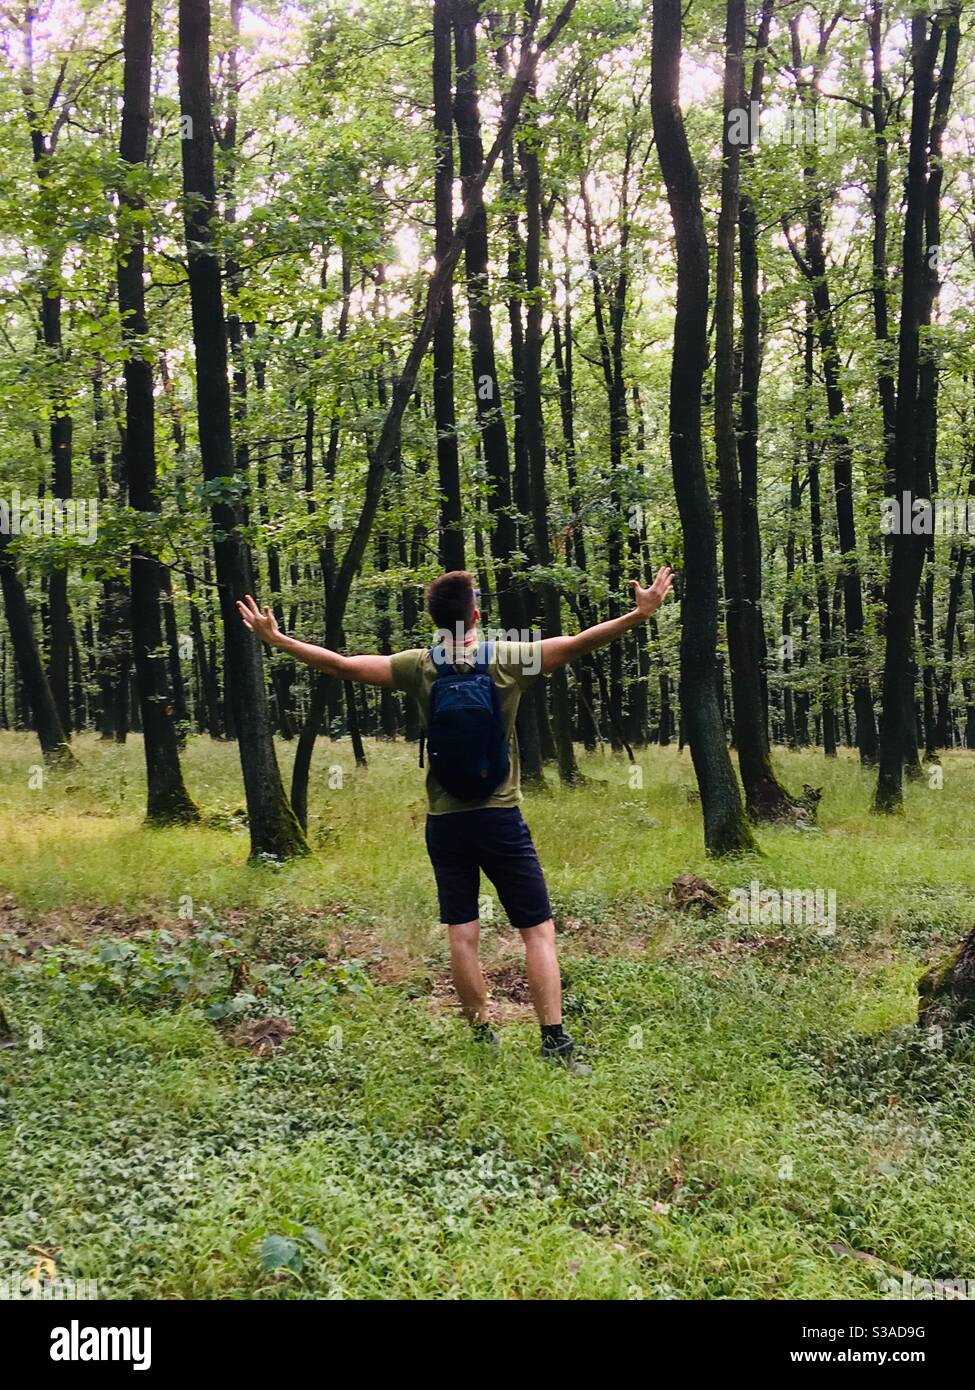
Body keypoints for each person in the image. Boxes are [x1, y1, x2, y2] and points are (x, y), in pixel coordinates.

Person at [238, 565, 673, 1072]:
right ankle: (555, 1044)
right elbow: (577, 643)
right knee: (537, 931)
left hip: (445, 823)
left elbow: (342, 665)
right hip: (500, 819)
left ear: (433, 618)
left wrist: (278, 639)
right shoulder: (506, 659)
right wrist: (639, 615)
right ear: (477, 616)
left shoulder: (418, 666)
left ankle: (481, 1032)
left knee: (462, 933)